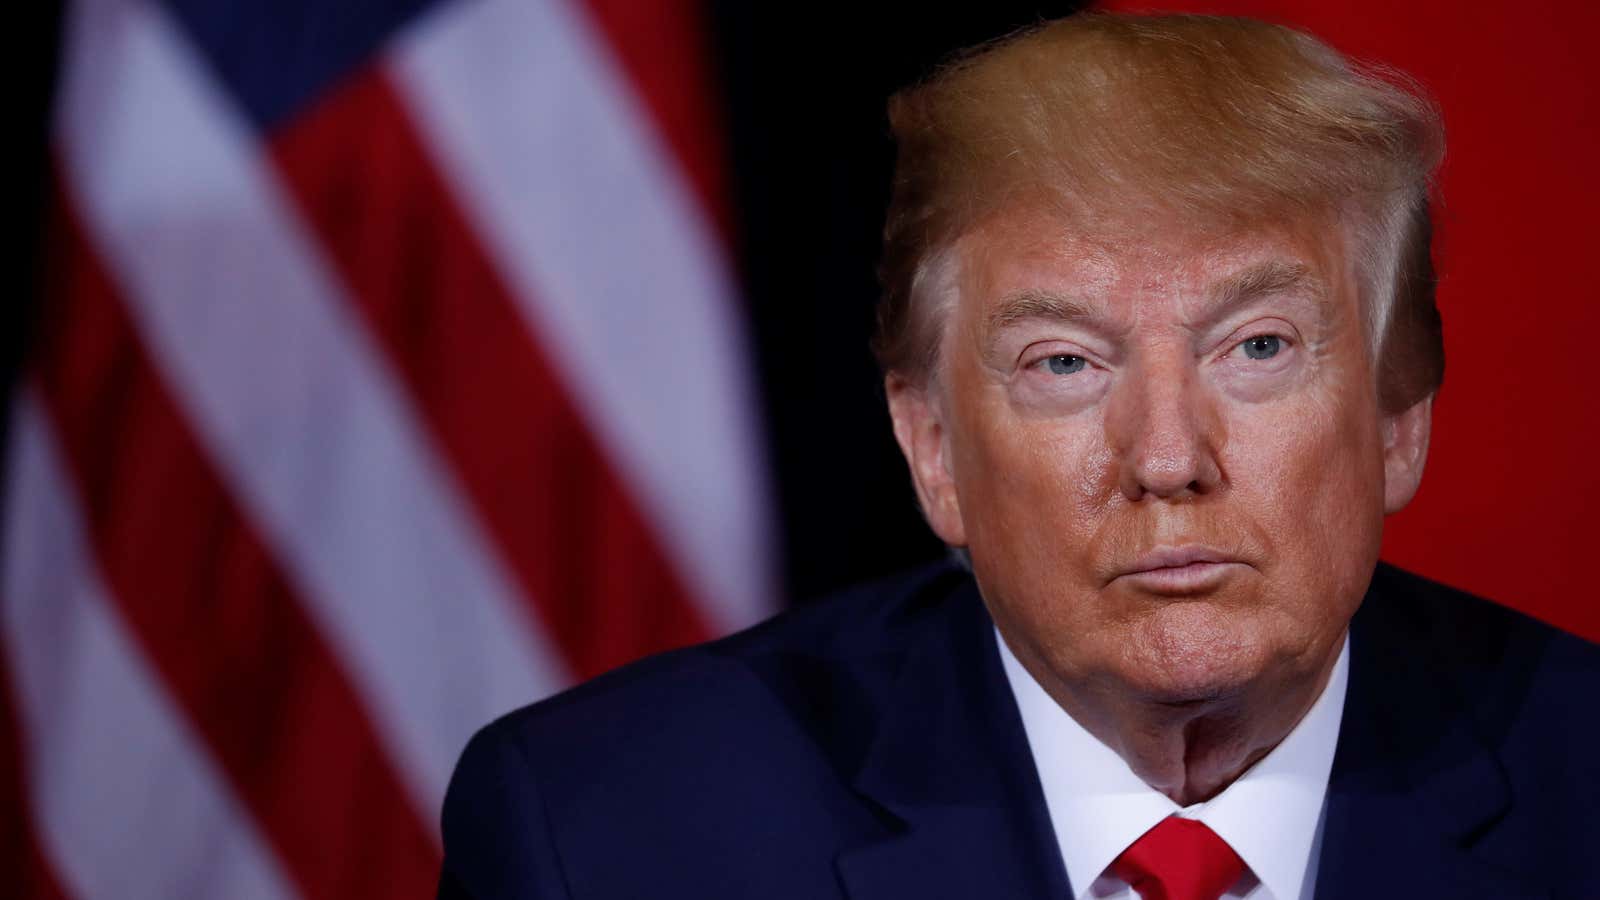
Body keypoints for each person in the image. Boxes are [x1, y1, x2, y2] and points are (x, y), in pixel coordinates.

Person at [437, 14, 1600, 900]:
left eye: (1256, 346)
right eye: (1063, 364)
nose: (1165, 458)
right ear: (931, 448)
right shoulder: (610, 837)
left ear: (1399, 420)